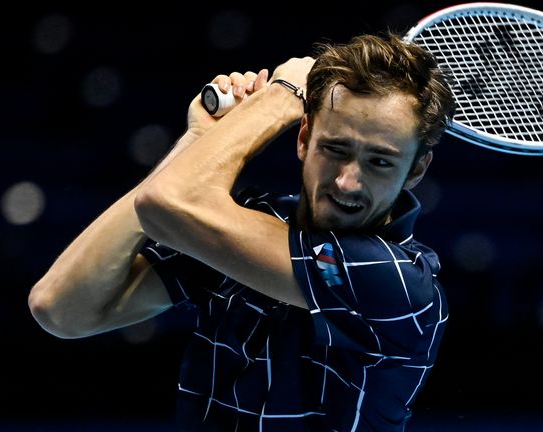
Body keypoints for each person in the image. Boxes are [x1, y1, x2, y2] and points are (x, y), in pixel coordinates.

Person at [29, 31, 456, 431]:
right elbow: (62, 308)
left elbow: (165, 203)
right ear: (304, 137)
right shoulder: (251, 218)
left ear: (416, 169)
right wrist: (196, 142)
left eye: (380, 162)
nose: (348, 181)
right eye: (335, 148)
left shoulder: (400, 280)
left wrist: (276, 99)